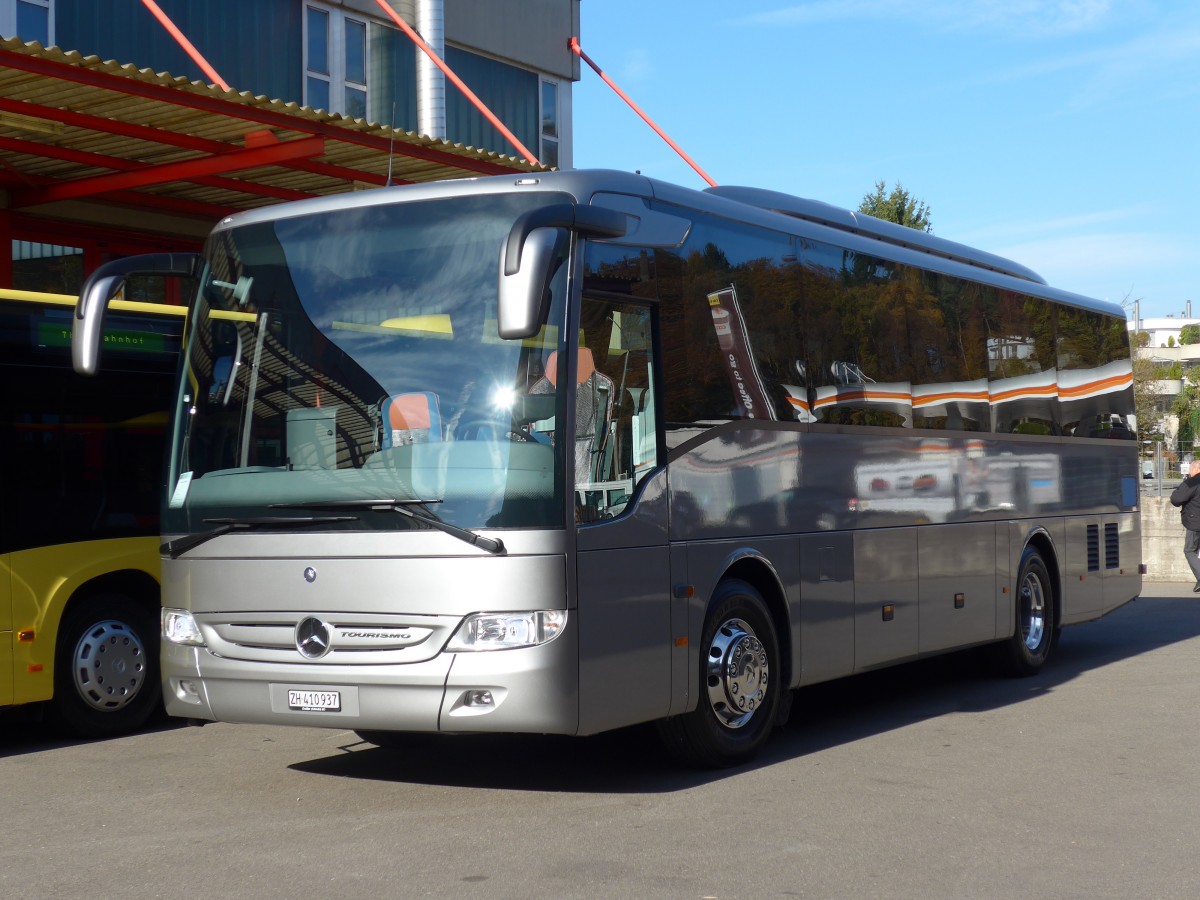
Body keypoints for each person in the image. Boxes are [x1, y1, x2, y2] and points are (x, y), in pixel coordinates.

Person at [1169, 459, 1200, 591]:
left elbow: (1176, 499)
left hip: (1195, 522)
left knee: (1190, 550)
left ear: (1194, 469)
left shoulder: (1191, 482)